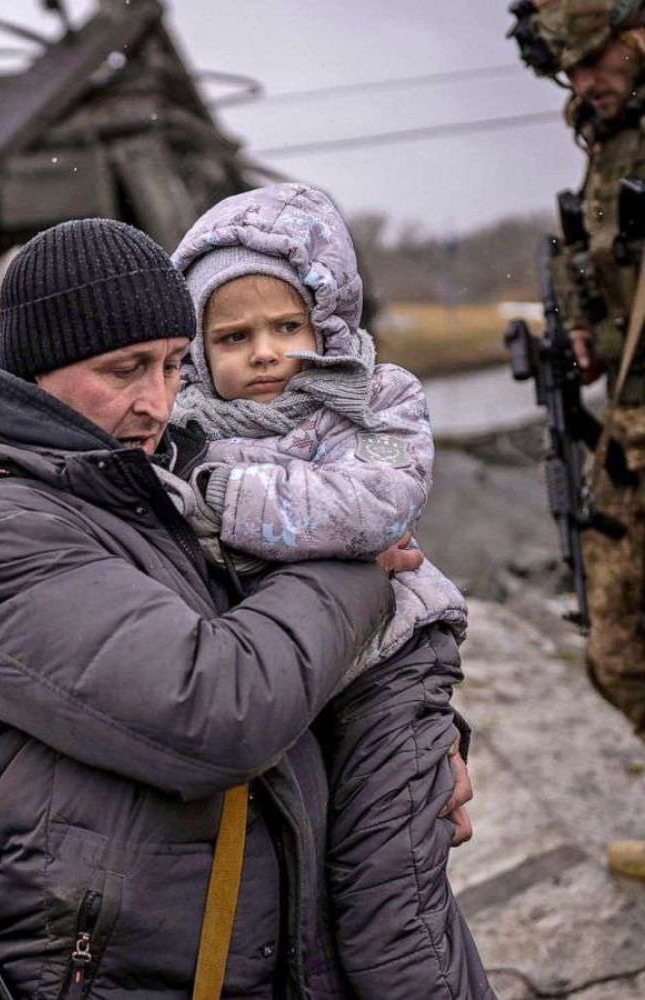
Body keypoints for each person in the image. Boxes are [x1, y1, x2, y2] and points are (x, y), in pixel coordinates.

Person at [0, 218, 472, 998]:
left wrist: (417, 744)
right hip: (131, 973)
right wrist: (358, 568)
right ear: (35, 371)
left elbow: (293, 653)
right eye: (124, 370)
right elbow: (220, 707)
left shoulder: (143, 474)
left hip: (250, 948)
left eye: (171, 366)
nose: (156, 402)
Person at [165, 183, 491, 998]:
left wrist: (222, 501)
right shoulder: (185, 430)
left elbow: (372, 506)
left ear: (325, 322)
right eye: (234, 337)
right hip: (297, 684)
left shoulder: (375, 398)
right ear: (201, 351)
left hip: (389, 667)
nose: (266, 353)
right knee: (315, 914)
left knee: (390, 900)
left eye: (286, 327)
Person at [511, 0, 645, 877]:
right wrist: (588, 330)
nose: (583, 84)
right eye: (571, 71)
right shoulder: (606, 137)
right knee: (618, 641)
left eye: (594, 63)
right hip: (630, 430)